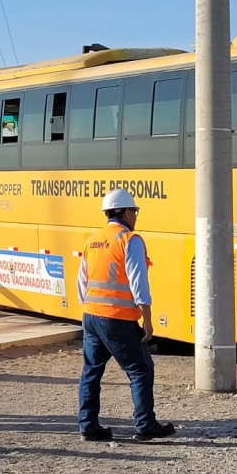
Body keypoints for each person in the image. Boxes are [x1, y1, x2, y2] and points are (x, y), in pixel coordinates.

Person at [77, 189, 176, 442]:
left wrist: (91, 308)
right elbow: (138, 282)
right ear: (126, 212)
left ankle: (88, 426)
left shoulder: (93, 239)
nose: (136, 216)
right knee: (141, 369)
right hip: (117, 318)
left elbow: (82, 283)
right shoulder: (129, 239)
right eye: (134, 211)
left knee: (91, 372)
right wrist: (148, 319)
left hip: (91, 315)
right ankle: (145, 425)